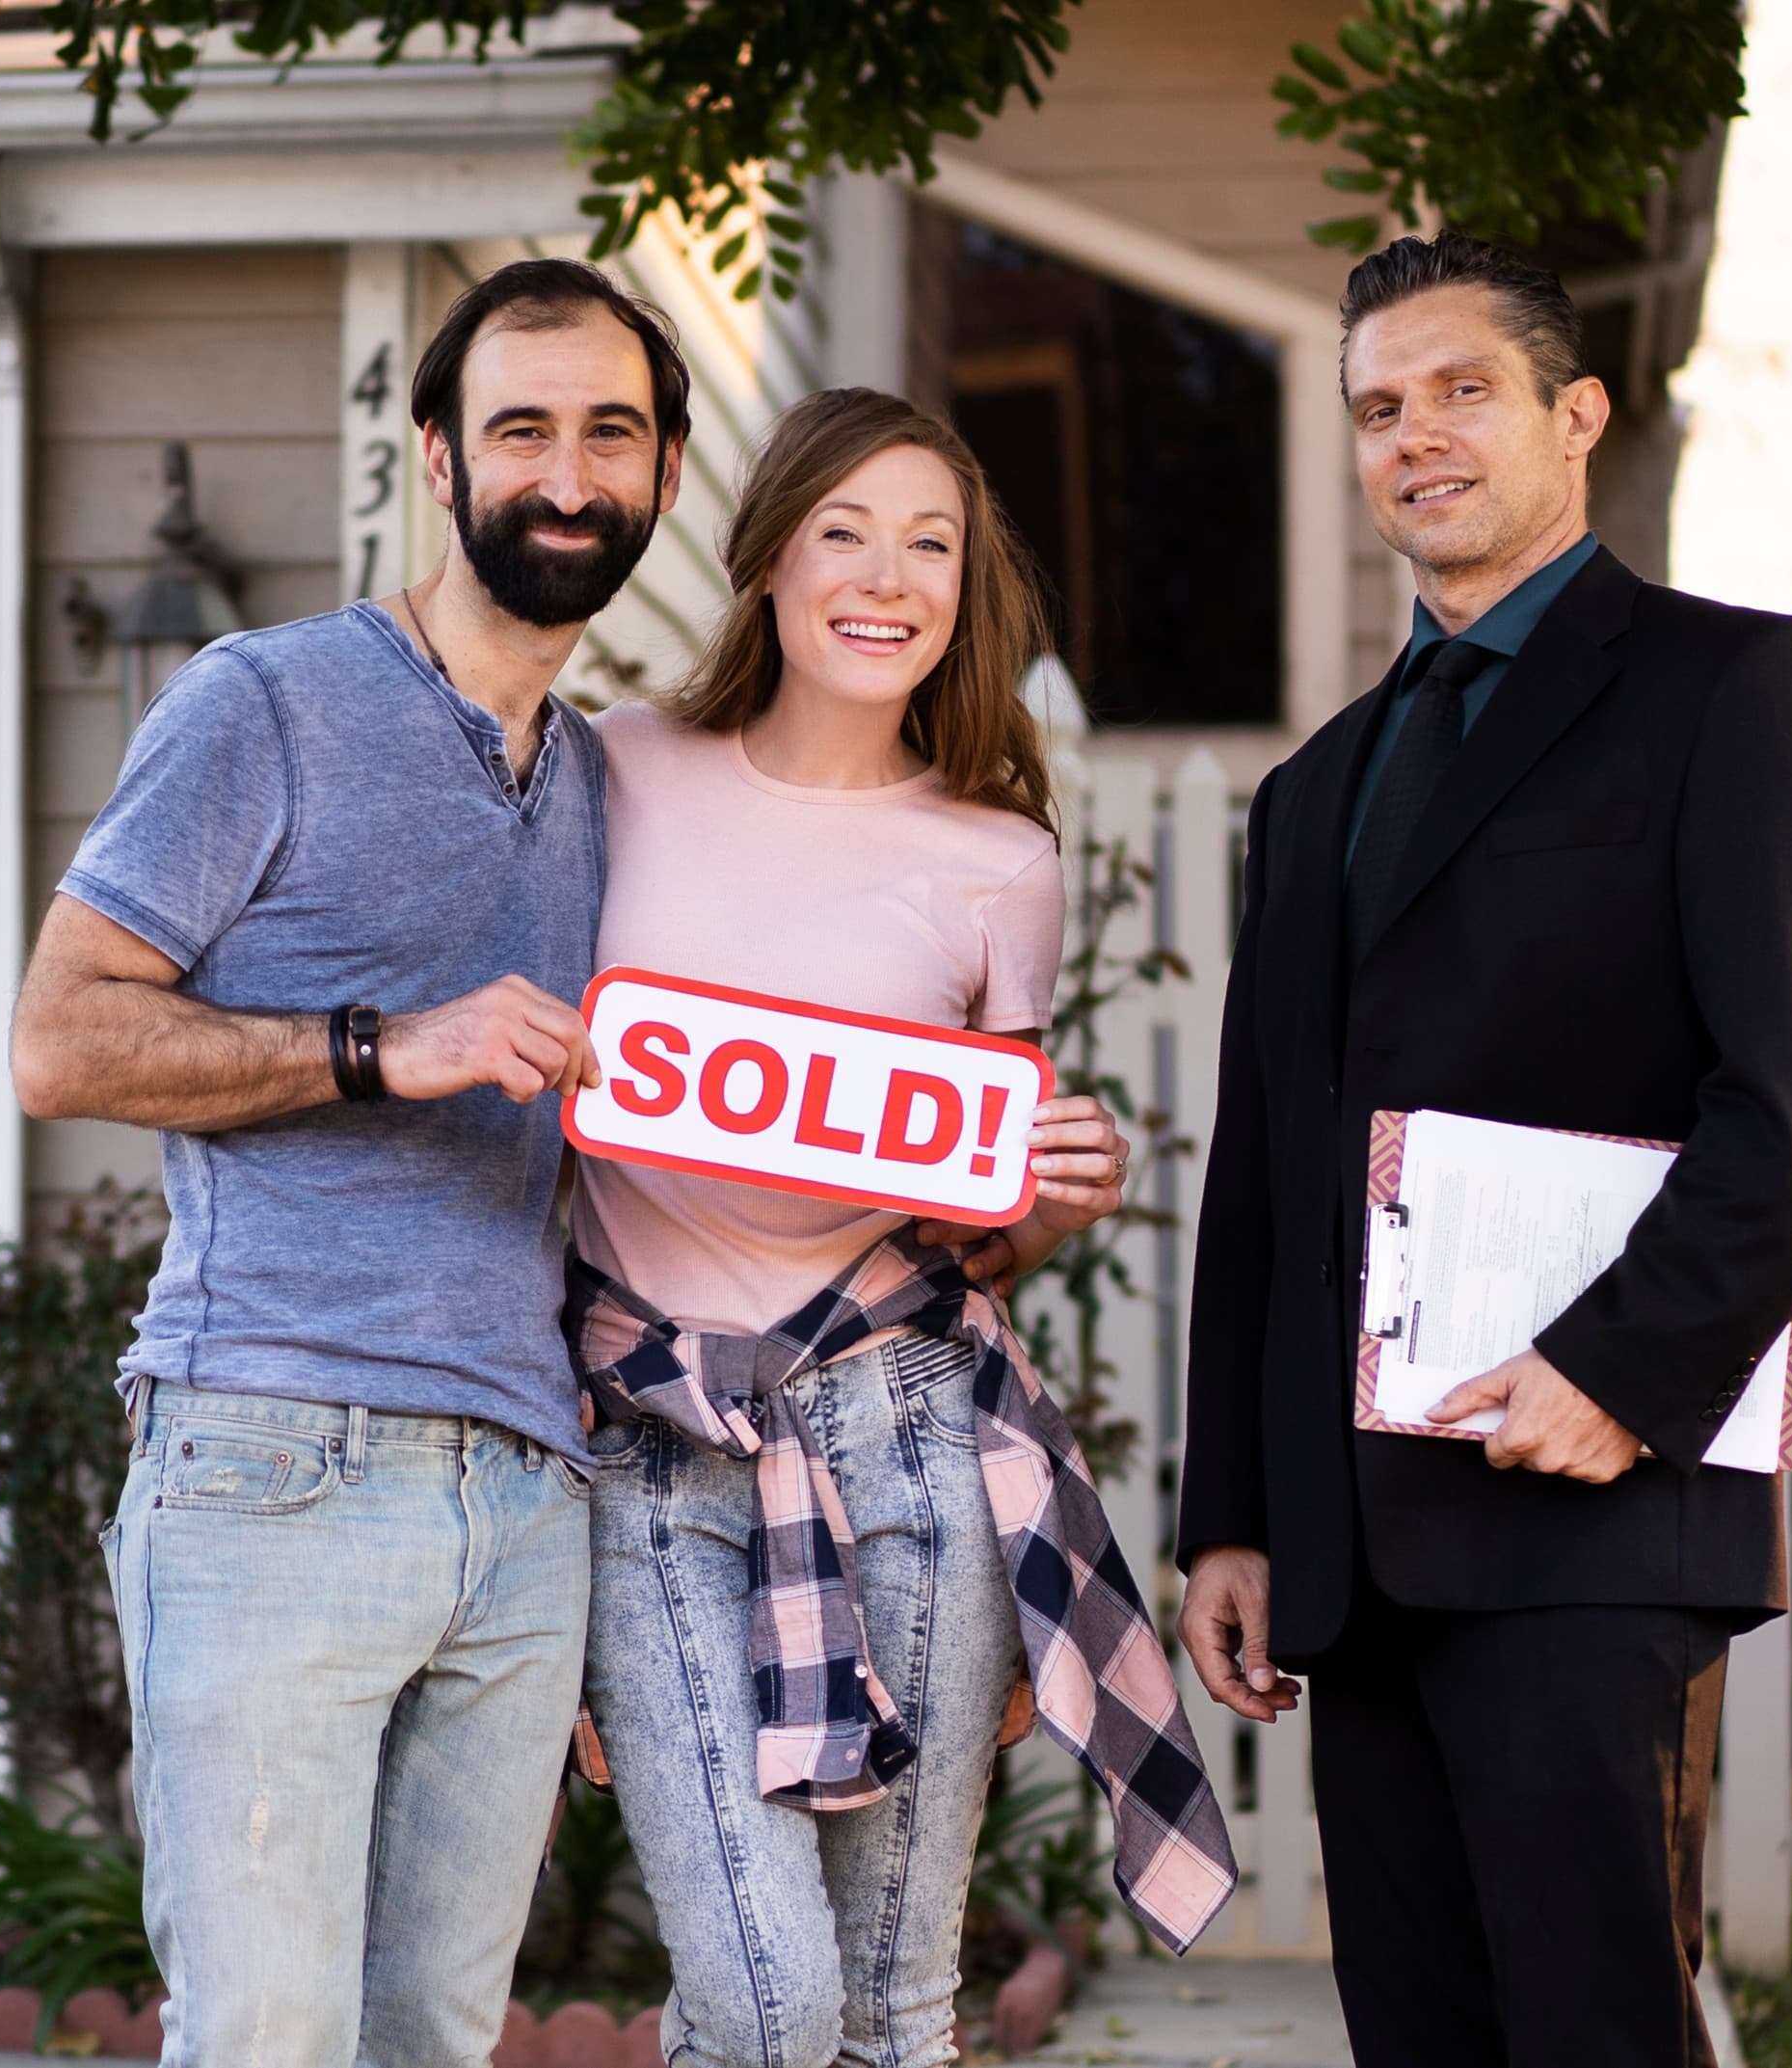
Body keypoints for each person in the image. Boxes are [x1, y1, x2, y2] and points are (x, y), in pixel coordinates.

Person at [1174, 232, 1792, 2067]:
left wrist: (1621, 1373)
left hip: (1593, 1506)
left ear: (1575, 415)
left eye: (1461, 389)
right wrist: (1236, 1512)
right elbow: (1269, 1166)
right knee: (1417, 2035)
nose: (1415, 435)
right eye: (1377, 408)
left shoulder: (1733, 691)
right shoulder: (1313, 787)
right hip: (1356, 1538)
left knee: (1594, 2035)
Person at [7, 256, 687, 2068]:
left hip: (529, 1492)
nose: (565, 471)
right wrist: (391, 1045)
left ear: (665, 476)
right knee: (271, 2040)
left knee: (432, 2045)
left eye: (608, 433)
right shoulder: (267, 701)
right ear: (441, 463)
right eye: (520, 427)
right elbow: (61, 1037)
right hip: (274, 1457)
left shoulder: (621, 782)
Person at [566, 388, 1238, 2068]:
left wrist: (1055, 1195)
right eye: (844, 531)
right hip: (653, 1449)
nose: (887, 576)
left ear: (965, 586)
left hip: (916, 1435)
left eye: (928, 541)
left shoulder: (998, 860)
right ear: (770, 555)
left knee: (893, 2008)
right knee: (760, 1996)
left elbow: (981, 1209)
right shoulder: (613, 767)